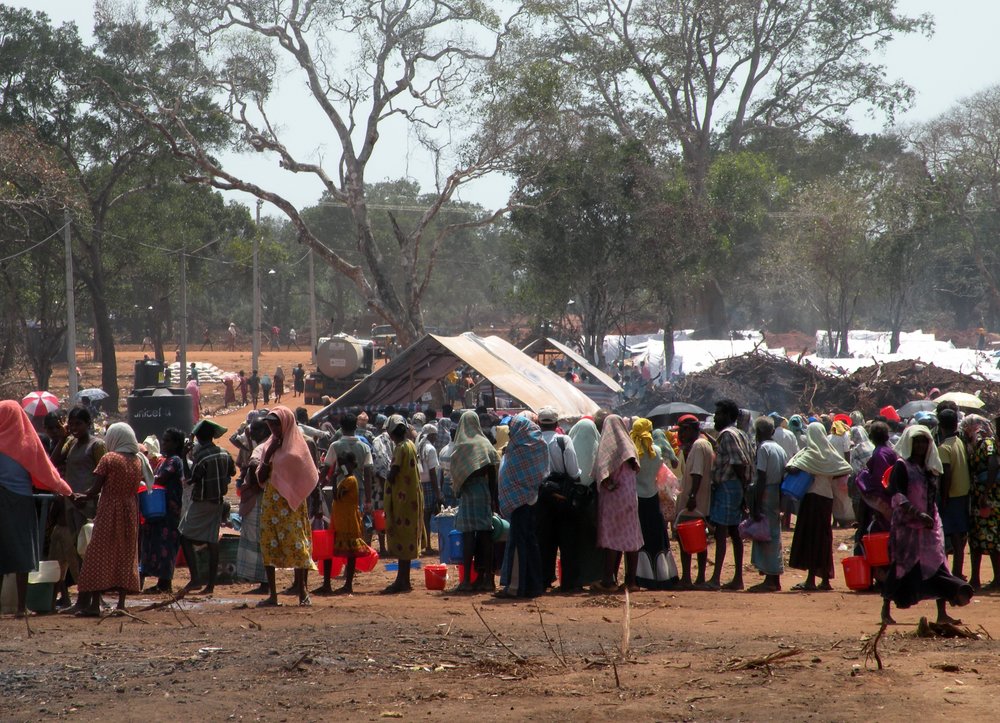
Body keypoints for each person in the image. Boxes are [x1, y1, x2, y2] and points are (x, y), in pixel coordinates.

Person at [881, 425, 973, 625]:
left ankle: (942, 612)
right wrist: (917, 514)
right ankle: (885, 609)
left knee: (938, 565)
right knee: (901, 567)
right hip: (907, 528)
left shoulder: (930, 468)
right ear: (909, 443)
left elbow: (933, 496)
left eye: (924, 441)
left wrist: (929, 517)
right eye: (917, 441)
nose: (921, 445)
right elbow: (897, 496)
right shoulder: (901, 466)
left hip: (930, 527)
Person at [0, 401, 72, 618]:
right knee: (22, 553)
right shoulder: (27, 443)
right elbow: (45, 470)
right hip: (20, 501)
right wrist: (64, 489)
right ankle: (21, 607)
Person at [72, 423, 151, 616]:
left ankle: (93, 605)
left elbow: (94, 489)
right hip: (130, 510)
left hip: (109, 510)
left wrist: (81, 497)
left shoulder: (109, 458)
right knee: (126, 553)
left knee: (98, 553)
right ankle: (121, 604)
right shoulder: (137, 460)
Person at [252, 407, 318, 606]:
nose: (273, 428)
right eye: (270, 424)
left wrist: (316, 504)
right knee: (269, 545)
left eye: (276, 424)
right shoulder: (268, 447)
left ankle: (302, 591)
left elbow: (310, 477)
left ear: (287, 423)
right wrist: (269, 453)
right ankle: (273, 595)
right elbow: (261, 477)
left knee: (298, 545)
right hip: (272, 503)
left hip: (293, 505)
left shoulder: (300, 447)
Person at [787, 422, 853, 591]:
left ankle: (810, 580)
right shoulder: (830, 453)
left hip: (812, 499)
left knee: (811, 537)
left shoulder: (809, 454)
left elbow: (791, 468)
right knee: (824, 537)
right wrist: (829, 473)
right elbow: (846, 467)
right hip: (826, 499)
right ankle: (825, 579)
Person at [51, 406, 106, 606]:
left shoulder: (97, 445)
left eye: (78, 424)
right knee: (77, 552)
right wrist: (62, 437)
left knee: (90, 551)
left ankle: (92, 599)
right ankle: (84, 598)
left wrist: (90, 495)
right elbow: (54, 461)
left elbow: (103, 473)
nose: (75, 428)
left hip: (89, 505)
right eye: (71, 424)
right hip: (71, 504)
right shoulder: (71, 444)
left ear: (88, 424)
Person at [316, 413, 374, 594]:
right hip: (357, 496)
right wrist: (369, 500)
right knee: (351, 539)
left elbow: (326, 470)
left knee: (333, 538)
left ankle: (328, 582)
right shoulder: (364, 447)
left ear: (341, 427)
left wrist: (319, 487)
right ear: (356, 426)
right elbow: (369, 473)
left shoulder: (335, 445)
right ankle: (348, 583)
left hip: (339, 497)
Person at [178, 420, 235, 595]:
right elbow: (232, 473)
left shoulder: (201, 456)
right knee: (211, 541)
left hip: (201, 501)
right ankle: (210, 585)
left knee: (184, 535)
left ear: (199, 438)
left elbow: (191, 479)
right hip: (217, 502)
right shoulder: (225, 453)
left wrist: (183, 456)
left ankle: (195, 579)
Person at [496, 415, 549, 599]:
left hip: (522, 502)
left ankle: (515, 587)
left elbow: (529, 474)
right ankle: (533, 585)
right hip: (528, 499)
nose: (509, 433)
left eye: (511, 430)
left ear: (519, 430)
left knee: (519, 545)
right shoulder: (530, 446)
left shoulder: (523, 450)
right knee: (530, 542)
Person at [590, 414, 643, 593]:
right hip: (629, 498)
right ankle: (631, 581)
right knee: (631, 537)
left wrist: (608, 484)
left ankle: (608, 581)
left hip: (613, 498)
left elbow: (601, 471)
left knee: (612, 539)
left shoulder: (608, 445)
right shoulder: (630, 446)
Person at [449, 411, 501, 593]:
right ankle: (487, 579)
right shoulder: (485, 443)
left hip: (468, 493)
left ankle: (466, 581)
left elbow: (455, 470)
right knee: (486, 535)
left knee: (468, 536)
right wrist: (494, 499)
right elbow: (493, 472)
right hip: (483, 492)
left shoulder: (461, 445)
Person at [707, 399, 754, 591]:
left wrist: (742, 489)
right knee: (734, 533)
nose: (715, 417)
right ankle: (737, 578)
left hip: (728, 486)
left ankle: (716, 577)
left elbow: (738, 462)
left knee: (721, 532)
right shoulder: (740, 433)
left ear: (727, 416)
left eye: (718, 414)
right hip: (736, 486)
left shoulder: (727, 434)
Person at [535, 406, 581, 590]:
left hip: (542, 496)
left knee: (544, 540)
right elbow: (573, 471)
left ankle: (544, 579)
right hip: (563, 495)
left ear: (539, 423)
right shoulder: (564, 440)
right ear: (556, 424)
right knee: (567, 540)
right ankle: (569, 583)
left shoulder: (533, 441)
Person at [139, 428, 187, 593]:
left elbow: (160, 479)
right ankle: (161, 582)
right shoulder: (166, 461)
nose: (164, 444)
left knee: (166, 544)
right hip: (160, 508)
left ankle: (165, 583)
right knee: (159, 543)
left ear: (176, 443)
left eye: (168, 441)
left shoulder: (175, 461)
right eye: (164, 440)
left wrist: (141, 478)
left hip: (170, 509)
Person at [631, 418, 677, 590]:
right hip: (652, 497)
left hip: (636, 498)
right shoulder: (657, 451)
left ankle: (641, 577)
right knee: (656, 537)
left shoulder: (632, 451)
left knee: (640, 538)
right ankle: (662, 576)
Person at [382, 415, 423, 594]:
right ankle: (404, 579)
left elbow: (394, 472)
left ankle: (401, 580)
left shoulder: (400, 448)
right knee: (407, 537)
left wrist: (386, 478)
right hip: (412, 497)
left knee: (401, 536)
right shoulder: (411, 445)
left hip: (402, 499)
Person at [749, 416, 788, 592]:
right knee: (773, 534)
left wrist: (755, 504)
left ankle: (770, 580)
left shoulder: (763, 448)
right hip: (777, 493)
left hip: (766, 492)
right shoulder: (780, 449)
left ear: (758, 433)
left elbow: (761, 477)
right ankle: (773, 578)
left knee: (766, 535)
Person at [961, 415, 1000, 590]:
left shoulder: (987, 444)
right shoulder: (977, 445)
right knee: (978, 537)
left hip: (988, 497)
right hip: (981, 495)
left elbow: (992, 464)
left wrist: (985, 492)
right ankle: (976, 578)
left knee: (990, 537)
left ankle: (995, 578)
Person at [565, 417, 604, 590]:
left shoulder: (569, 446)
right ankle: (594, 578)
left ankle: (574, 580)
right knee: (592, 540)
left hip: (572, 497)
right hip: (591, 498)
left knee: (572, 540)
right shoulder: (599, 446)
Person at [676, 414, 713, 588]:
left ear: (691, 429)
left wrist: (691, 496)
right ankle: (700, 578)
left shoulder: (698, 446)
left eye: (683, 430)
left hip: (693, 502)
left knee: (686, 539)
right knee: (700, 540)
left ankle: (687, 578)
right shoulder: (704, 443)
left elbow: (696, 473)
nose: (680, 435)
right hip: (701, 501)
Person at [235, 419, 272, 593]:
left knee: (257, 540)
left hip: (259, 498)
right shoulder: (269, 445)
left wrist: (251, 484)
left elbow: (254, 469)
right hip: (266, 497)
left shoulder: (262, 448)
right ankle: (264, 582)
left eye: (257, 431)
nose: (254, 434)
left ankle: (264, 583)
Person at [937, 408, 970, 580]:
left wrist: (943, 497)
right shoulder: (958, 442)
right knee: (959, 536)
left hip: (952, 495)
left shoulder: (944, 448)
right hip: (963, 493)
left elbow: (946, 475)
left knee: (953, 536)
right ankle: (956, 570)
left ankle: (954, 572)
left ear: (940, 425)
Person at [331, 452, 367, 595]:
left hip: (349, 521)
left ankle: (348, 584)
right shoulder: (346, 480)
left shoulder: (350, 480)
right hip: (344, 521)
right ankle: (348, 584)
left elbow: (337, 495)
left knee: (351, 554)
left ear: (351, 464)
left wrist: (334, 478)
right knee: (349, 554)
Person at [416, 423, 442, 551]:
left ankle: (424, 543)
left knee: (424, 515)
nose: (436, 438)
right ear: (431, 435)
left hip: (421, 483)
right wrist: (437, 492)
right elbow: (433, 472)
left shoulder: (420, 446)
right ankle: (428, 545)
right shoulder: (430, 449)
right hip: (429, 485)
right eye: (435, 435)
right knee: (429, 515)